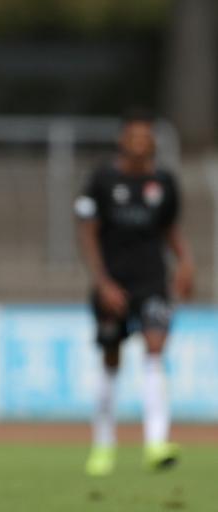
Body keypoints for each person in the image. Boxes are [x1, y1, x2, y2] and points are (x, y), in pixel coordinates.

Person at [75, 110, 194, 476]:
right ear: (122, 141)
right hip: (114, 282)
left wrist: (186, 262)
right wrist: (102, 281)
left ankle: (157, 441)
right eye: (135, 137)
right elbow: (87, 232)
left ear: (154, 142)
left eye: (147, 137)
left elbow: (168, 228)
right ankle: (103, 445)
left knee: (155, 349)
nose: (141, 143)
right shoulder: (103, 180)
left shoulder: (164, 182)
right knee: (112, 360)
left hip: (153, 282)